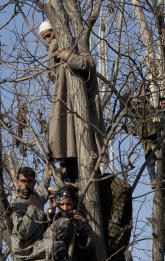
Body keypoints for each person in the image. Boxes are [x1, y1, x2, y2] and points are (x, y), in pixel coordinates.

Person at [38, 22, 99, 183]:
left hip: (82, 105)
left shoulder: (76, 43)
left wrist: (68, 57)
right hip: (64, 107)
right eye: (44, 38)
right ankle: (70, 178)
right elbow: (52, 73)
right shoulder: (53, 51)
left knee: (80, 146)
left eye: (49, 35)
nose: (48, 40)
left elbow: (90, 64)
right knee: (64, 142)